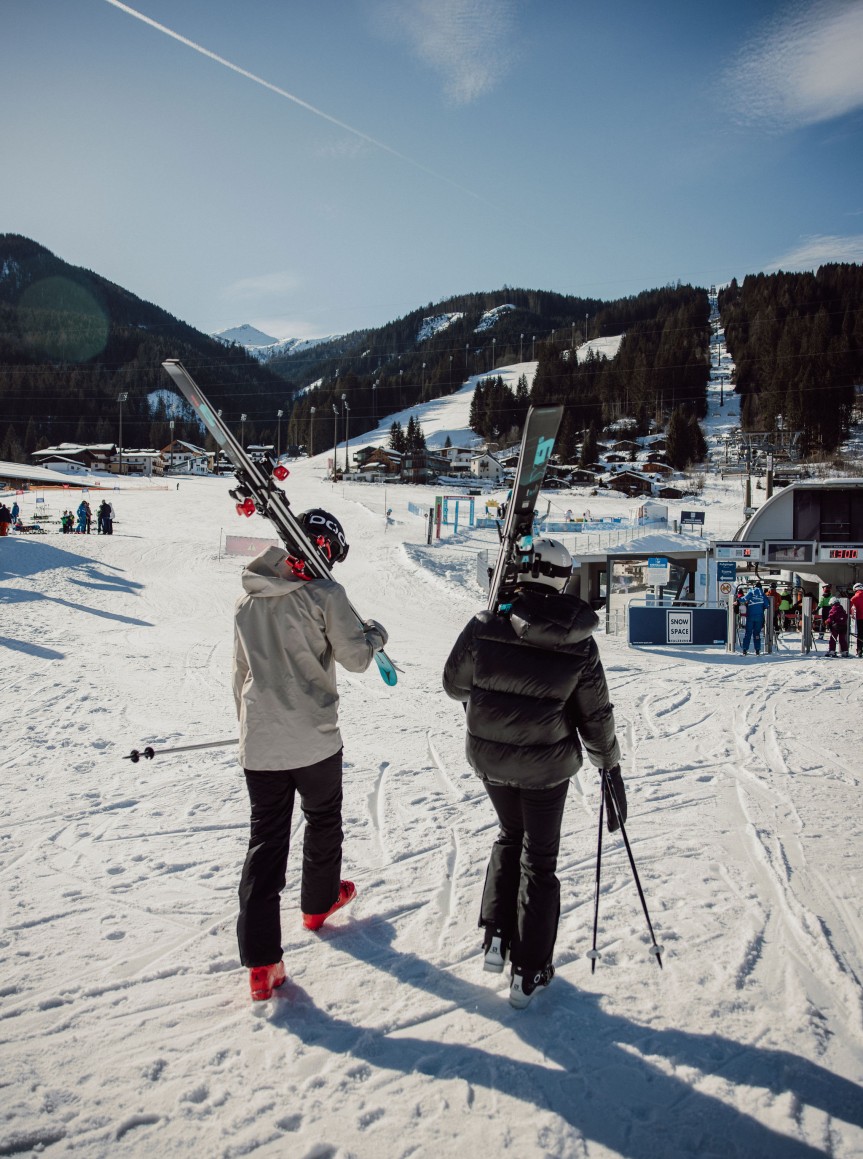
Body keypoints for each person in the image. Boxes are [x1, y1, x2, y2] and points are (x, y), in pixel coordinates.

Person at [443, 537, 622, 1009]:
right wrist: (609, 764)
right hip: (546, 769)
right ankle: (530, 969)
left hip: (491, 760)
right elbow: (595, 716)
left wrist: (493, 691)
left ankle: (497, 937)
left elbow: (453, 684)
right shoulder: (579, 643)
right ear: (562, 579)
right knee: (539, 859)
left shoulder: (486, 624)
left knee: (509, 833)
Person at [232, 509, 388, 1002]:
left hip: (259, 740)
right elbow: (358, 659)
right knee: (323, 818)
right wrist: (376, 634)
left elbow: (240, 677)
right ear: (326, 550)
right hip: (314, 738)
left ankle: (262, 964)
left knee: (266, 840)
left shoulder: (247, 598)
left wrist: (249, 728)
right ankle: (318, 904)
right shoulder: (327, 595)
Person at [741, 578, 768, 656]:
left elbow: (744, 599)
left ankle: (745, 650)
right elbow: (767, 605)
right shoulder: (762, 595)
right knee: (756, 634)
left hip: (750, 616)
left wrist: (737, 600)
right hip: (759, 617)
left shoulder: (751, 592)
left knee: (748, 633)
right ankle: (757, 650)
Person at [850, 583, 863, 658]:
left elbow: (849, 608)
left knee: (860, 634)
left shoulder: (855, 597)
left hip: (860, 618)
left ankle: (859, 650)